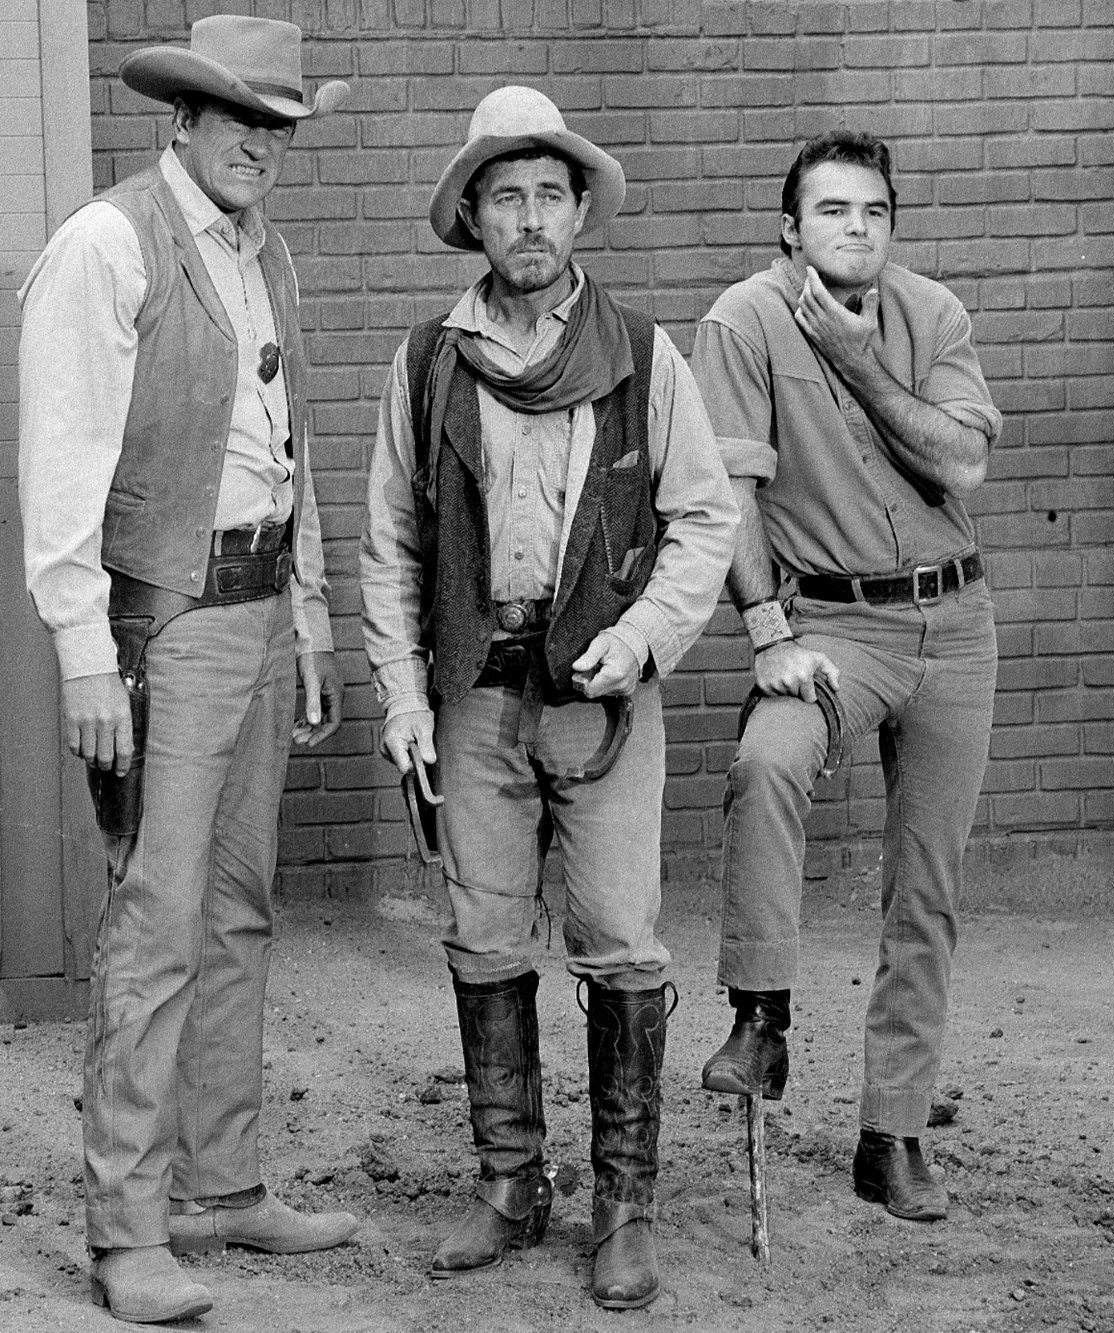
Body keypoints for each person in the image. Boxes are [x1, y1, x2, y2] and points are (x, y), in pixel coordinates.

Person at [358, 87, 736, 1308]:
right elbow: (388, 545)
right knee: (480, 930)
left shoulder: (639, 353)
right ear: (472, 216)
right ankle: (509, 1183)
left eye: (548, 197)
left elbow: (703, 520)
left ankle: (624, 1206)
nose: (528, 219)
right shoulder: (427, 363)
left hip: (601, 694)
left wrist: (643, 638)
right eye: (505, 196)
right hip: (474, 693)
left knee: (622, 937)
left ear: (580, 214)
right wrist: (401, 693)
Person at [15, 16, 359, 1324]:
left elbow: (290, 446)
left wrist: (313, 607)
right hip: (161, 621)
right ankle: (124, 1229)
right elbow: (62, 465)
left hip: (262, 611)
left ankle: (224, 1183)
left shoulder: (267, 252)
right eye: (239, 119)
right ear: (185, 119)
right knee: (155, 923)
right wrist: (82, 651)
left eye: (278, 125)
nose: (260, 146)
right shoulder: (109, 245)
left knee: (238, 906)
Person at [691, 129, 1002, 1225]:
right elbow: (727, 489)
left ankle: (892, 1132)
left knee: (926, 888)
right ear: (789, 227)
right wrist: (765, 626)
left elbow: (961, 461)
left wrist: (866, 363)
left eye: (872, 211)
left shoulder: (931, 315)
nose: (854, 229)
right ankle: (760, 1018)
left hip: (953, 620)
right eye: (830, 211)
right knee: (767, 759)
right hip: (829, 620)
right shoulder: (741, 320)